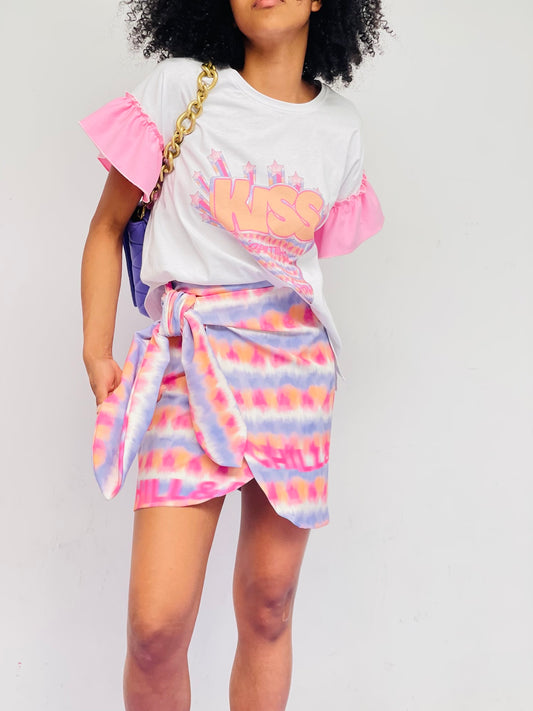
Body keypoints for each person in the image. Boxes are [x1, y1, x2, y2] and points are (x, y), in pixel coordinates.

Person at [80, 1, 388, 709]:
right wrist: (96, 352)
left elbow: (299, 266)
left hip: (291, 372)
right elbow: (106, 226)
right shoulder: (180, 88)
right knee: (155, 629)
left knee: (269, 605)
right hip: (187, 361)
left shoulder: (340, 129)